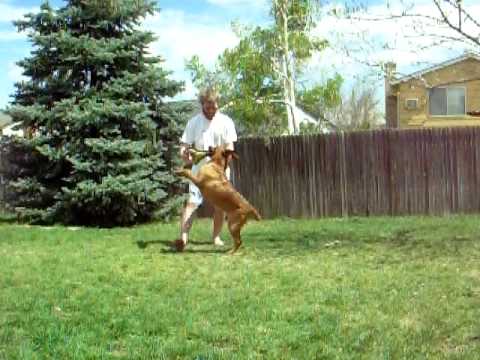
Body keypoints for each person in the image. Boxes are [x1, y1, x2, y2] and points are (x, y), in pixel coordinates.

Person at [178, 87, 237, 249]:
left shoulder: (226, 122)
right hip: (199, 173)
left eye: (214, 106)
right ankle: (183, 238)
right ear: (202, 104)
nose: (211, 109)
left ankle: (216, 237)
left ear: (218, 104)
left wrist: (223, 165)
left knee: (220, 206)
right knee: (192, 202)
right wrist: (185, 154)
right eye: (208, 106)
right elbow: (184, 146)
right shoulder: (193, 123)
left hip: (220, 173)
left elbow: (230, 148)